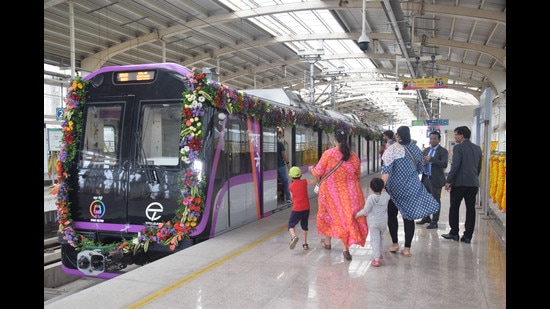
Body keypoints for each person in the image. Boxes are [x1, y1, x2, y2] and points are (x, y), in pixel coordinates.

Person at [309, 130, 368, 261]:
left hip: (330, 192)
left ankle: (336, 245)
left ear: (335, 140)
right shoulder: (354, 156)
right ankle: (338, 246)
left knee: (329, 215)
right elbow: (357, 175)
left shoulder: (328, 154)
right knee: (345, 218)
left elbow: (317, 172)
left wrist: (310, 169)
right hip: (351, 193)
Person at [381, 126, 439, 257]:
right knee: (409, 217)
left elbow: (386, 171)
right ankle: (407, 248)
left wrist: (381, 187)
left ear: (398, 136)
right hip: (411, 188)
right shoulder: (416, 149)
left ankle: (395, 244)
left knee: (392, 215)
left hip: (394, 188)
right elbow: (420, 168)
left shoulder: (392, 149)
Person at [441, 126, 482, 244]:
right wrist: (473, 177)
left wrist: (448, 181)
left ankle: (454, 233)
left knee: (454, 207)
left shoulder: (458, 148)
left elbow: (455, 166)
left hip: (459, 184)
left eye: (456, 135)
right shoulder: (477, 148)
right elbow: (478, 167)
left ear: (461, 136)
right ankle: (468, 236)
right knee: (470, 209)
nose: (455, 137)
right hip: (473, 184)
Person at [416, 131, 448, 229]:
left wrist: (432, 159)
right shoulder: (426, 150)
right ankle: (426, 217)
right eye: (431, 138)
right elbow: (420, 160)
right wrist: (423, 162)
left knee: (435, 200)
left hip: (435, 179)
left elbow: (444, 164)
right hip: (426, 177)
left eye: (434, 139)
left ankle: (434, 221)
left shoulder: (443, 151)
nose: (432, 140)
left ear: (439, 140)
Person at [355, 177, 389, 267]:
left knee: (375, 240)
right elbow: (388, 196)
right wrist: (384, 191)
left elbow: (366, 210)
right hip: (383, 222)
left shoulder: (370, 198)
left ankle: (376, 259)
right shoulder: (385, 196)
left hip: (374, 223)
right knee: (381, 238)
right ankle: (380, 254)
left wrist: (357, 215)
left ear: (371, 188)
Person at [287, 166, 317, 250]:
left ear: (291, 177)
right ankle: (305, 244)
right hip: (306, 208)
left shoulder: (291, 186)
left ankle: (294, 237)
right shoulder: (305, 181)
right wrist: (312, 172)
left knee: (291, 225)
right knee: (304, 225)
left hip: (297, 209)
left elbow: (292, 199)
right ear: (300, 175)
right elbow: (315, 182)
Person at [277, 128, 292, 203]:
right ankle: (288, 198)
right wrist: (288, 163)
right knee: (285, 181)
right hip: (281, 166)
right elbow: (284, 155)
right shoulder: (280, 144)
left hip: (271, 168)